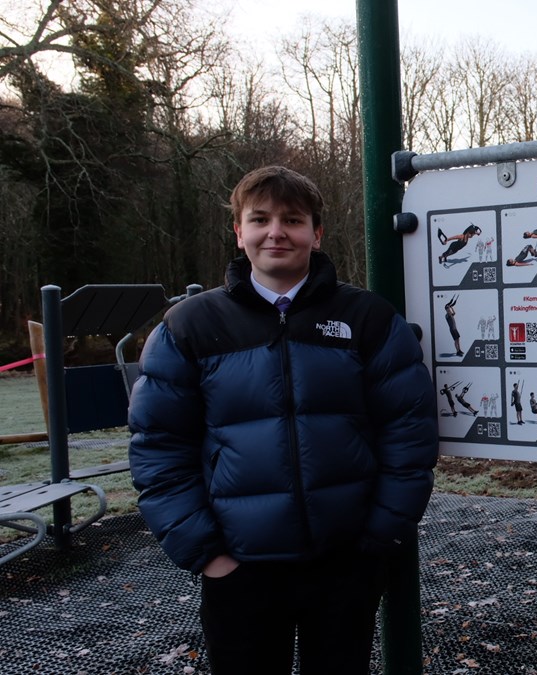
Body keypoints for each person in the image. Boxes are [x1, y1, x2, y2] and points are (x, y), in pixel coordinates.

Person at [127, 166, 438, 675]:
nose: (276, 232)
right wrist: (208, 554)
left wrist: (378, 540)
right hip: (238, 568)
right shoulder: (191, 326)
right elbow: (158, 447)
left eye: (293, 220)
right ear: (239, 232)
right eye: (261, 219)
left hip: (344, 564)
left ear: (316, 233)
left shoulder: (368, 319)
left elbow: (409, 432)